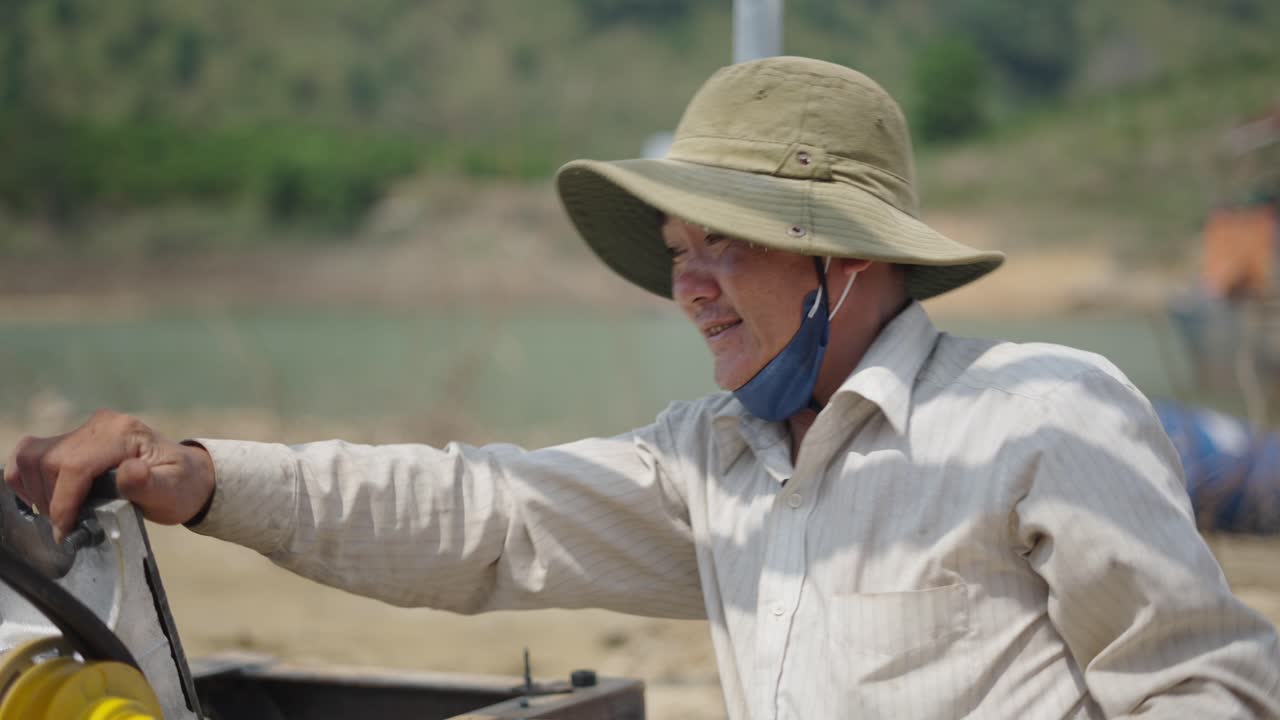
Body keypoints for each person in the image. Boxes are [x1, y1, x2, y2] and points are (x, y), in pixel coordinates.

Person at [6, 56, 1280, 719]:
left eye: (724, 243)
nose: (690, 287)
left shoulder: (1036, 416)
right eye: (677, 253)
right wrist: (205, 478)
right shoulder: (714, 464)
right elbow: (482, 516)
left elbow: (1204, 691)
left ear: (845, 255)